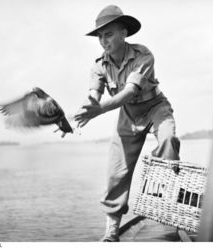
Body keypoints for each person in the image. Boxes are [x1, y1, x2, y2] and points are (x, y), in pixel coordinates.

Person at [74, 5, 180, 242]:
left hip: (155, 107)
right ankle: (111, 230)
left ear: (124, 33)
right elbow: (94, 94)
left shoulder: (143, 55)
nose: (103, 40)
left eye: (109, 34)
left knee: (168, 141)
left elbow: (131, 91)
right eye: (100, 36)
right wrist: (83, 112)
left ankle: (166, 208)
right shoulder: (99, 65)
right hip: (128, 116)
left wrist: (98, 110)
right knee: (116, 172)